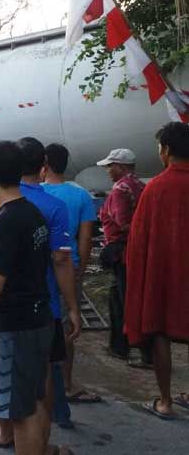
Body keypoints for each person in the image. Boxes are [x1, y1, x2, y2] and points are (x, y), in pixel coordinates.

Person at [0, 140, 72, 455]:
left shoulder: (6, 222)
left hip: (16, 327)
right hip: (39, 318)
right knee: (31, 400)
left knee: (20, 413)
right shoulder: (32, 213)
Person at [125, 122, 189, 420]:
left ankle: (165, 401)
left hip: (164, 277)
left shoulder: (156, 189)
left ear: (166, 150)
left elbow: (138, 243)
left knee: (161, 331)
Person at [43, 144, 102, 407]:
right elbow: (86, 237)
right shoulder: (81, 197)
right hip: (69, 268)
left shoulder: (35, 194)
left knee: (39, 325)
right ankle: (66, 385)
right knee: (68, 327)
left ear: (45, 163)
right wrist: (80, 269)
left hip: (40, 271)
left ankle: (41, 383)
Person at [96, 148, 153, 366]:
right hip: (135, 250)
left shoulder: (120, 189)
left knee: (125, 299)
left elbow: (123, 223)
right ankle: (120, 345)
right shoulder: (141, 186)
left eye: (111, 166)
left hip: (122, 251)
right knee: (119, 298)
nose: (108, 171)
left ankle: (137, 350)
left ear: (121, 167)